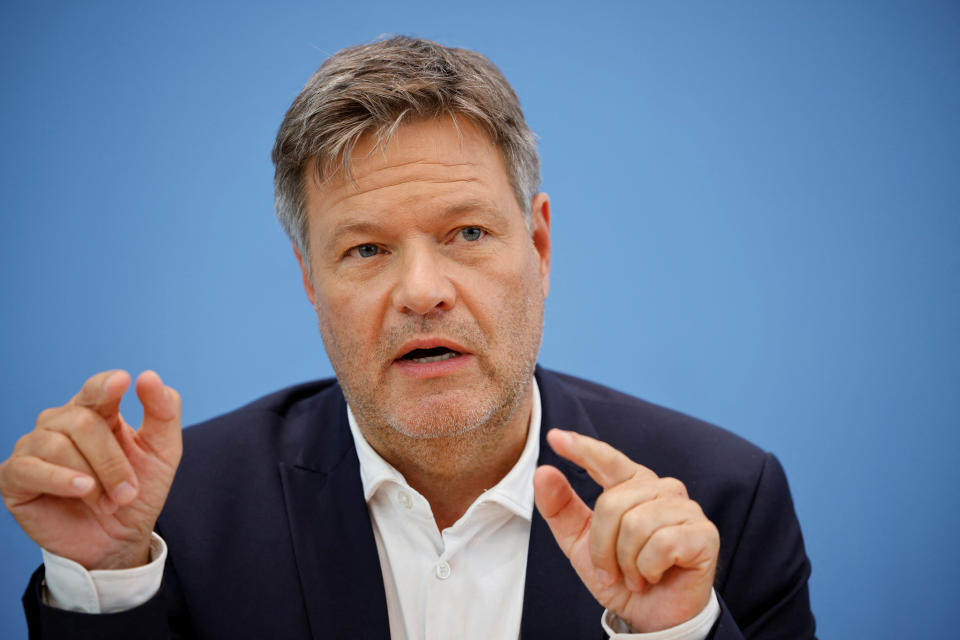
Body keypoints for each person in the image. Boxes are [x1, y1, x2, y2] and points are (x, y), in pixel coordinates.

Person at [0, 36, 815, 639]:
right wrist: (106, 581)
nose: (422, 292)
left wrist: (676, 633)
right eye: (366, 250)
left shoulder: (724, 502)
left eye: (466, 233)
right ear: (311, 282)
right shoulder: (169, 518)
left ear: (537, 246)